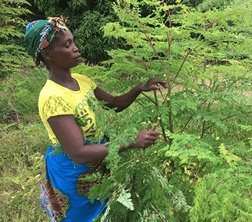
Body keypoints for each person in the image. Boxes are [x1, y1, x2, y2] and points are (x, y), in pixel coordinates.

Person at [24, 16, 167, 222]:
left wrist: (138, 89)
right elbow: (79, 153)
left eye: (73, 42)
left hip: (98, 165)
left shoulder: (82, 81)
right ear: (47, 55)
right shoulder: (53, 97)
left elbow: (114, 104)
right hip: (74, 175)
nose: (75, 48)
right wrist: (131, 141)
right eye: (67, 45)